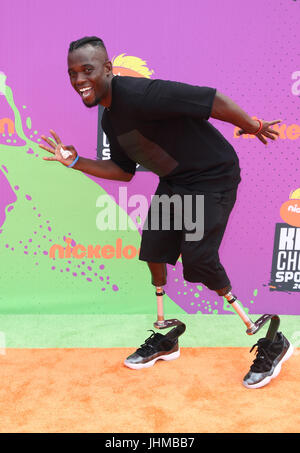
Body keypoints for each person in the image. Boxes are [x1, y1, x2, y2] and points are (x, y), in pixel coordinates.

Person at [39, 36, 293, 389]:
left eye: (87, 70)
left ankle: (270, 340)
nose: (79, 79)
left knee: (199, 259)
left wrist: (251, 125)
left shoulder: (142, 94)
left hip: (212, 177)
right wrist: (77, 162)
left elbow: (211, 100)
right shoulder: (111, 119)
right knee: (154, 248)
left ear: (108, 69)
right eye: (72, 73)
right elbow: (124, 172)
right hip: (177, 182)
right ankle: (166, 336)